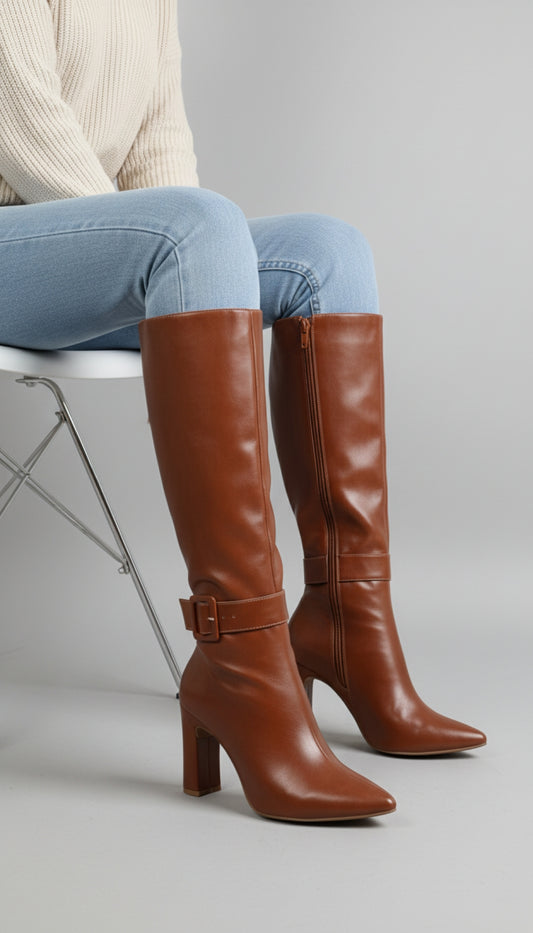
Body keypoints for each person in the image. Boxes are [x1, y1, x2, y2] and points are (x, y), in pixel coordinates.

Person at [0, 0, 485, 823]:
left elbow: (158, 143)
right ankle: (239, 660)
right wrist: (169, 241)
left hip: (93, 251)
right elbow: (24, 130)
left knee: (329, 252)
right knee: (196, 230)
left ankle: (346, 624)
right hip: (21, 248)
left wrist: (186, 249)